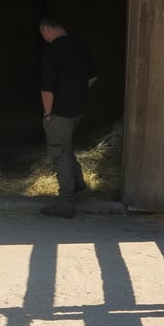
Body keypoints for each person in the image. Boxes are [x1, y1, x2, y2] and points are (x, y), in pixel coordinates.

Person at [38, 16, 96, 218]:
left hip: (59, 112)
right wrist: (77, 95)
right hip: (78, 109)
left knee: (59, 152)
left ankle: (66, 203)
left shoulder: (52, 51)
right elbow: (92, 77)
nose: (44, 38)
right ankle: (79, 185)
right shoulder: (80, 46)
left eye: (42, 34)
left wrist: (47, 114)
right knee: (67, 145)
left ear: (46, 29)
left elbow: (47, 89)